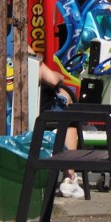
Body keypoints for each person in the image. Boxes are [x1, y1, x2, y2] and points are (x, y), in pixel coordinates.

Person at [33, 48, 84, 199]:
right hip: (39, 109)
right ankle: (70, 176)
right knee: (69, 110)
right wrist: (60, 76)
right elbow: (52, 79)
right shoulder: (24, 49)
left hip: (15, 106)